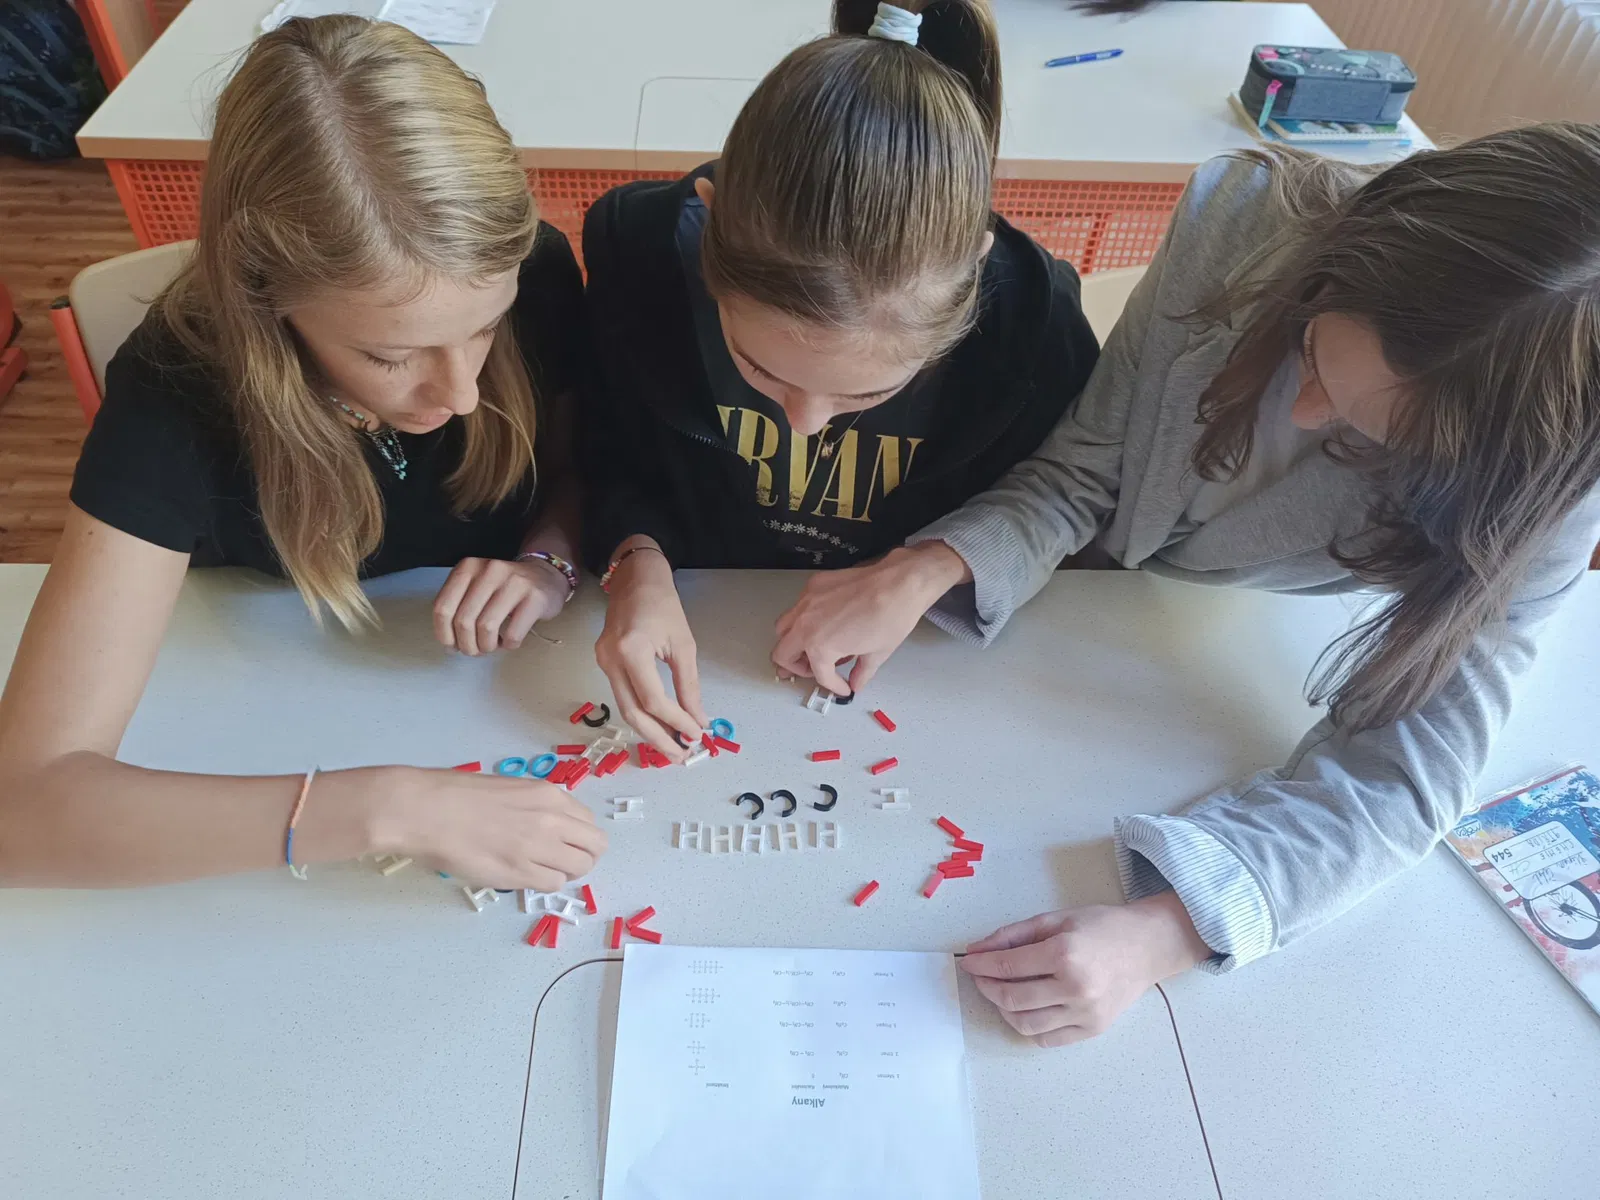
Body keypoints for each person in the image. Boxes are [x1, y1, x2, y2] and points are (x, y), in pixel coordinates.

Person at [786, 124, 1600, 1045]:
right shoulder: (1242, 217)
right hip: (1081, 617)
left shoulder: (1550, 495)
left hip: (1217, 640)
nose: (1305, 412)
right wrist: (937, 562)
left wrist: (1166, 931)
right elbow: (1088, 469)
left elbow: (1404, 779)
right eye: (1313, 352)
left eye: (1367, 432)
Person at [0, 16, 606, 889]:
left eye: (485, 327)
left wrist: (551, 554)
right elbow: (23, 812)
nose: (463, 395)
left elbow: (584, 459)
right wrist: (383, 806)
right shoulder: (176, 392)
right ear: (264, 301)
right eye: (390, 357)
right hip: (267, 712)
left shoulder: (533, 268)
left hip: (499, 691)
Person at [579, 0, 1098, 755]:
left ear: (973, 275)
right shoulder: (638, 256)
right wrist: (635, 558)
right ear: (709, 226)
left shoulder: (1034, 323)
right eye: (759, 368)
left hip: (932, 665)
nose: (805, 425)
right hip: (700, 606)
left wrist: (933, 567)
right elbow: (601, 445)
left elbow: (1067, 496)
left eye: (866, 395)